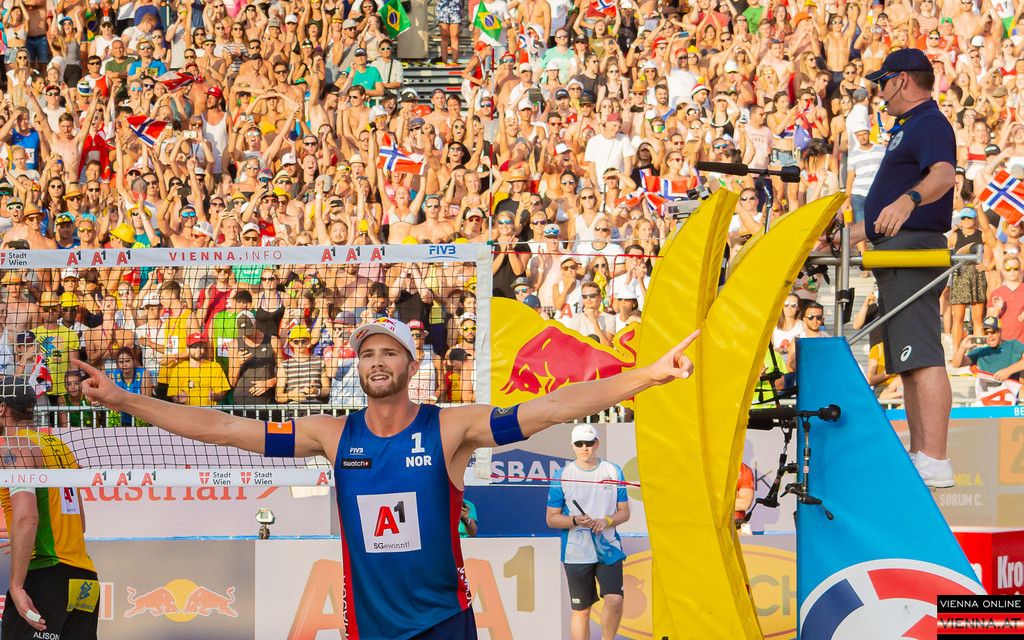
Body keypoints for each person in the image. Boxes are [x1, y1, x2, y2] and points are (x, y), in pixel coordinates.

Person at [72, 318, 699, 640]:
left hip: (443, 623)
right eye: (367, 353)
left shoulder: (450, 428)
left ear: (410, 363)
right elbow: (225, 428)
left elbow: (555, 406)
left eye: (388, 351)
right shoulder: (332, 434)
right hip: (368, 629)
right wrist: (125, 400)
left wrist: (649, 374)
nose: (376, 361)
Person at [846, 48, 957, 489]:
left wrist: (909, 199)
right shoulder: (911, 125)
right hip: (896, 247)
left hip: (913, 249)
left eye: (883, 82)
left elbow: (944, 175)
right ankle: (921, 452)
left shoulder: (927, 121)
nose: (879, 92)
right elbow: (888, 211)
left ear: (903, 80)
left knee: (922, 356)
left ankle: (935, 456)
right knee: (908, 362)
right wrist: (852, 234)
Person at [0, 376, 99, 640]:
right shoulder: (61, 448)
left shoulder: (16, 446)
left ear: (2, 408)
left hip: (47, 574)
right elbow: (79, 524)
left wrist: (16, 586)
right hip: (84, 579)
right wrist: (23, 537)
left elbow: (28, 518)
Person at [546, 424, 630, 640]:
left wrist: (607, 520)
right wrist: (575, 520)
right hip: (576, 551)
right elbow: (552, 518)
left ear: (597, 443)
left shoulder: (613, 471)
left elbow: (624, 513)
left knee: (615, 599)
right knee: (582, 610)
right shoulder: (562, 475)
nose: (585, 447)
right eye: (579, 443)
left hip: (608, 546)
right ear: (572, 446)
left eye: (589, 443)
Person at [951, 316, 1024, 383]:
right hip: (987, 390)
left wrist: (1008, 371)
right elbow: (956, 364)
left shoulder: (1012, 344)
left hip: (1010, 389)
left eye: (993, 332)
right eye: (986, 333)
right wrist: (963, 348)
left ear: (1000, 332)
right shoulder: (980, 351)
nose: (989, 336)